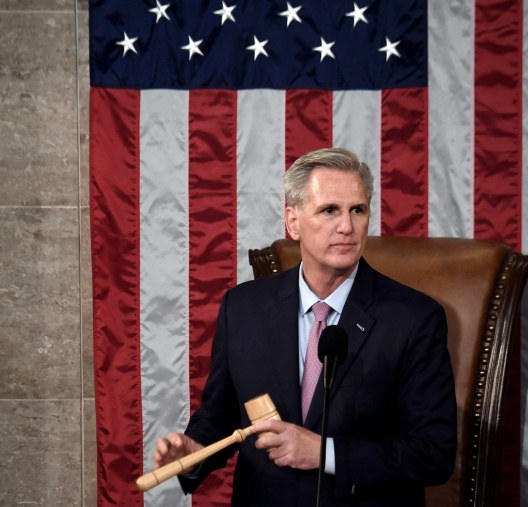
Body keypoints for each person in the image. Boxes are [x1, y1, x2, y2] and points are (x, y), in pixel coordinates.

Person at [153, 147, 457, 506]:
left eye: (357, 210)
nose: (346, 226)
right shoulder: (243, 308)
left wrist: (325, 453)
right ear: (293, 222)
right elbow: (219, 416)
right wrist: (193, 454)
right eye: (329, 210)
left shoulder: (414, 318)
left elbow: (433, 454)